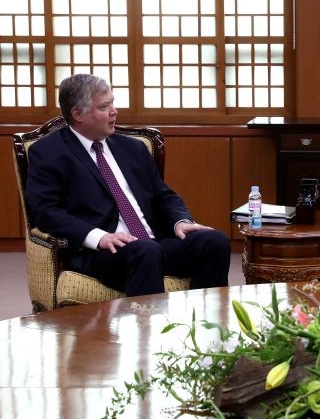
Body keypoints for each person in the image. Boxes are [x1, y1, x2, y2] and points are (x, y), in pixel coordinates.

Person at [25, 74, 230, 296]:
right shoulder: (49, 152)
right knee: (145, 251)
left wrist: (180, 222)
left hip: (153, 242)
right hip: (103, 251)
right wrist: (99, 237)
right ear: (77, 114)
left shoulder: (133, 148)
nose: (114, 111)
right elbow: (46, 212)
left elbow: (163, 196)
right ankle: (151, 329)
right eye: (105, 106)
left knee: (214, 241)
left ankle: (206, 325)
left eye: (113, 102)